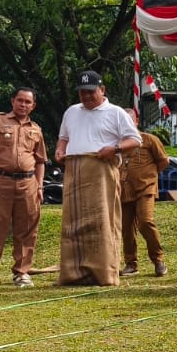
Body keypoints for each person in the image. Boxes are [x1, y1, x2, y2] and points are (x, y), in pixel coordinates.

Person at [54, 72, 139, 286]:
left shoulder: (116, 113)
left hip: (102, 171)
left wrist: (115, 148)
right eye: (82, 92)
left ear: (102, 90)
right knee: (73, 223)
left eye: (91, 91)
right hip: (75, 170)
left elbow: (135, 140)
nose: (86, 96)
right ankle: (73, 272)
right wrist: (59, 150)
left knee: (103, 221)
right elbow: (63, 137)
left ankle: (104, 272)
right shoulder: (72, 112)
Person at [0, 88, 47, 288]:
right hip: (0, 181)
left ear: (33, 106)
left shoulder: (36, 129)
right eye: (20, 100)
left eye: (27, 102)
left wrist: (40, 185)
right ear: (12, 101)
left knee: (26, 228)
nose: (23, 105)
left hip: (28, 183)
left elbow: (41, 160)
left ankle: (22, 272)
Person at [120, 107, 169, 277]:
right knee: (126, 228)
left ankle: (158, 260)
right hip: (124, 190)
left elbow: (163, 161)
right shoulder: (117, 144)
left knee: (145, 221)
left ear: (136, 121)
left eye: (129, 120)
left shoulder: (149, 140)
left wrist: (150, 176)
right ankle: (131, 263)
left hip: (145, 188)